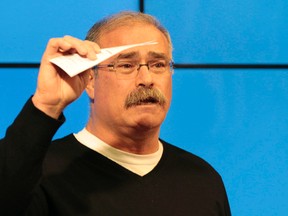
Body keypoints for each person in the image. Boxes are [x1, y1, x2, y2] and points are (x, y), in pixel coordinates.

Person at [0, 11, 231, 215]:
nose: (146, 79)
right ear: (90, 80)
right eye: (126, 65)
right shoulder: (41, 172)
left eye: (158, 64)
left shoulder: (202, 180)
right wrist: (46, 105)